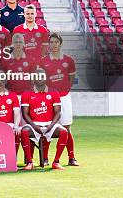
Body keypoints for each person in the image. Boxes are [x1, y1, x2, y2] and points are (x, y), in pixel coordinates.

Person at [41, 33, 78, 166]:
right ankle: (44, 158)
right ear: (49, 44)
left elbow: (71, 79)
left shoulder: (69, 60)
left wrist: (64, 89)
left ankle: (71, 158)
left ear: (60, 43)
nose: (54, 44)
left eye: (56, 42)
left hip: (64, 97)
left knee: (66, 127)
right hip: (49, 98)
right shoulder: (43, 61)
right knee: (47, 128)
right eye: (51, 42)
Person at [20, 67, 68, 171]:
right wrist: (35, 126)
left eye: (42, 76)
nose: (40, 78)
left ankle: (56, 162)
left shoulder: (54, 92)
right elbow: (25, 114)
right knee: (24, 132)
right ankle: (29, 162)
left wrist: (50, 126)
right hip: (34, 125)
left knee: (64, 132)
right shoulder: (27, 93)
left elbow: (58, 113)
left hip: (50, 124)